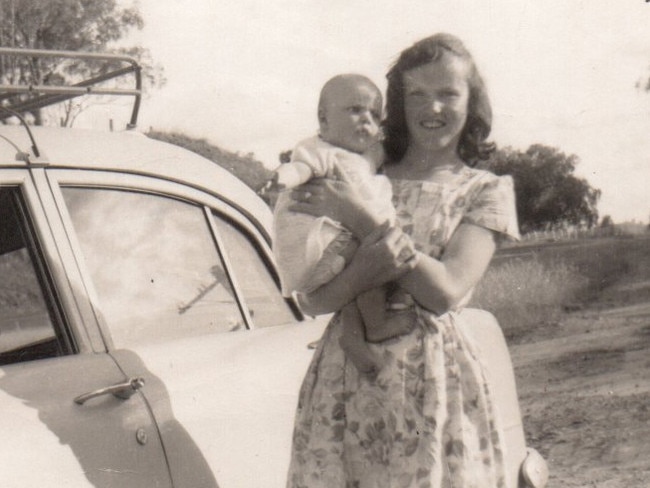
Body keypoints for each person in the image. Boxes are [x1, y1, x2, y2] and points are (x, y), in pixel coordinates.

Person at [285, 33, 520, 488]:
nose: (433, 109)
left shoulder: (486, 190)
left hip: (435, 380)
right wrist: (359, 273)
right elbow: (311, 300)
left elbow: (446, 289)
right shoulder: (356, 171)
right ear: (396, 102)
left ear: (472, 102)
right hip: (348, 375)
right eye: (417, 94)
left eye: (448, 94)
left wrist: (359, 216)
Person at [267, 73, 414, 377]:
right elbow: (300, 167)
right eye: (355, 110)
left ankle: (353, 336)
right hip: (316, 247)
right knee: (371, 252)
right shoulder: (321, 150)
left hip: (325, 253)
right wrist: (281, 178)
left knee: (357, 266)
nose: (366, 121)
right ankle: (376, 325)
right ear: (323, 119)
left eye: (375, 115)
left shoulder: (360, 158)